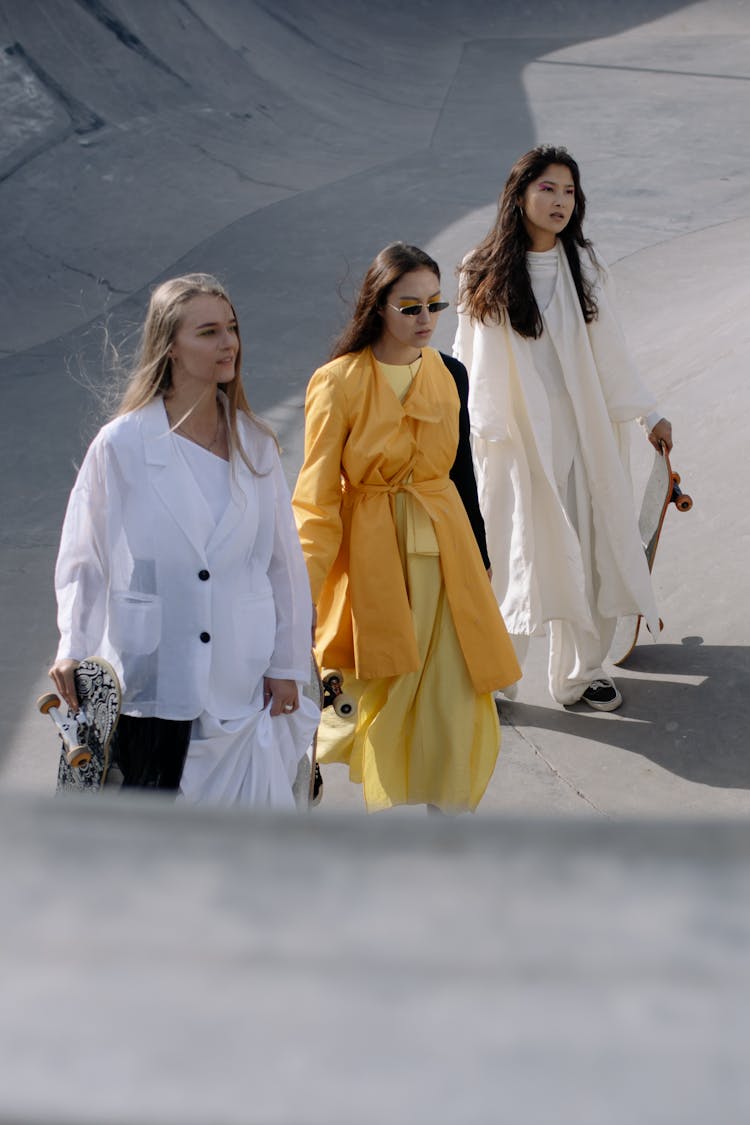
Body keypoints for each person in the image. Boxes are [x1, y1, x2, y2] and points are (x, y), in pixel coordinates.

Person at [48, 273, 319, 806]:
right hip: (152, 677)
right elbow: (86, 557)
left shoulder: (255, 443)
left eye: (233, 329)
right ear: (170, 346)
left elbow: (282, 563)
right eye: (210, 332)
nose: (229, 344)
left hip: (240, 678)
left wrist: (286, 664)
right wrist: (74, 648)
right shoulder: (122, 444)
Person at [292, 242, 521, 814]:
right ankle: (304, 763)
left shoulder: (450, 374)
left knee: (457, 696)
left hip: (448, 555)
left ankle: (445, 820)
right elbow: (316, 496)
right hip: (372, 558)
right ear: (378, 307)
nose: (425, 320)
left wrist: (483, 555)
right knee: (365, 691)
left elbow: (461, 471)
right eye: (410, 307)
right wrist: (302, 587)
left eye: (434, 306)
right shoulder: (337, 381)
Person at [454, 144, 673, 712]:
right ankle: (499, 676)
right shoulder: (480, 271)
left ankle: (582, 671)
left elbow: (613, 352)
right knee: (514, 550)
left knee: (587, 542)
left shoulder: (586, 268)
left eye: (568, 191)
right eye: (547, 189)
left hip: (582, 430)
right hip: (515, 438)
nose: (559, 201)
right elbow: (464, 363)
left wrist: (649, 414)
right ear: (520, 195)